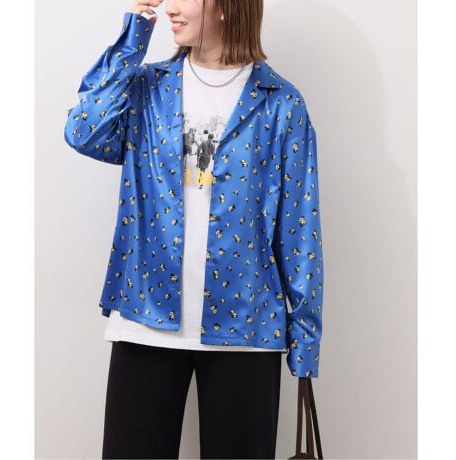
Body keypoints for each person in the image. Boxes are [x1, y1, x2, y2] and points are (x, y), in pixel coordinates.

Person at [63, 0, 324, 458]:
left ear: (225, 7)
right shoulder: (147, 88)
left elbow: (300, 229)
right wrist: (135, 32)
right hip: (146, 316)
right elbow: (83, 131)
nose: (171, 8)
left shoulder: (280, 103)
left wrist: (305, 340)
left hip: (245, 328)